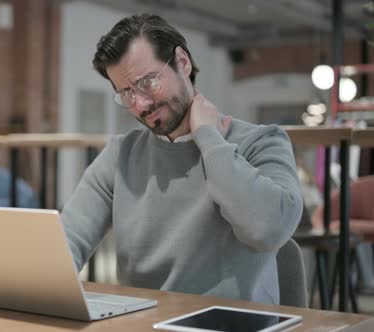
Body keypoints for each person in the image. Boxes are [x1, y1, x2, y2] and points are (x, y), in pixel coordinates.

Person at [60, 14, 303, 305]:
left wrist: (209, 140)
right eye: (126, 92)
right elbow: (65, 245)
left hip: (230, 324)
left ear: (182, 63)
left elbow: (267, 230)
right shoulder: (120, 156)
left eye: (148, 82)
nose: (140, 104)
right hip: (145, 323)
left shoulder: (262, 141)